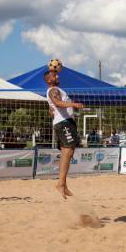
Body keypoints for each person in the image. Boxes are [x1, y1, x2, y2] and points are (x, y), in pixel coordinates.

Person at [45, 71, 84, 199]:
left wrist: (53, 110)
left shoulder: (54, 90)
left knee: (68, 152)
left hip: (65, 122)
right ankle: (61, 184)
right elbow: (57, 103)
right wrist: (73, 104)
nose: (58, 76)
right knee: (68, 151)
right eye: (54, 75)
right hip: (63, 123)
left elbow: (51, 109)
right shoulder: (53, 90)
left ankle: (63, 184)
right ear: (49, 80)